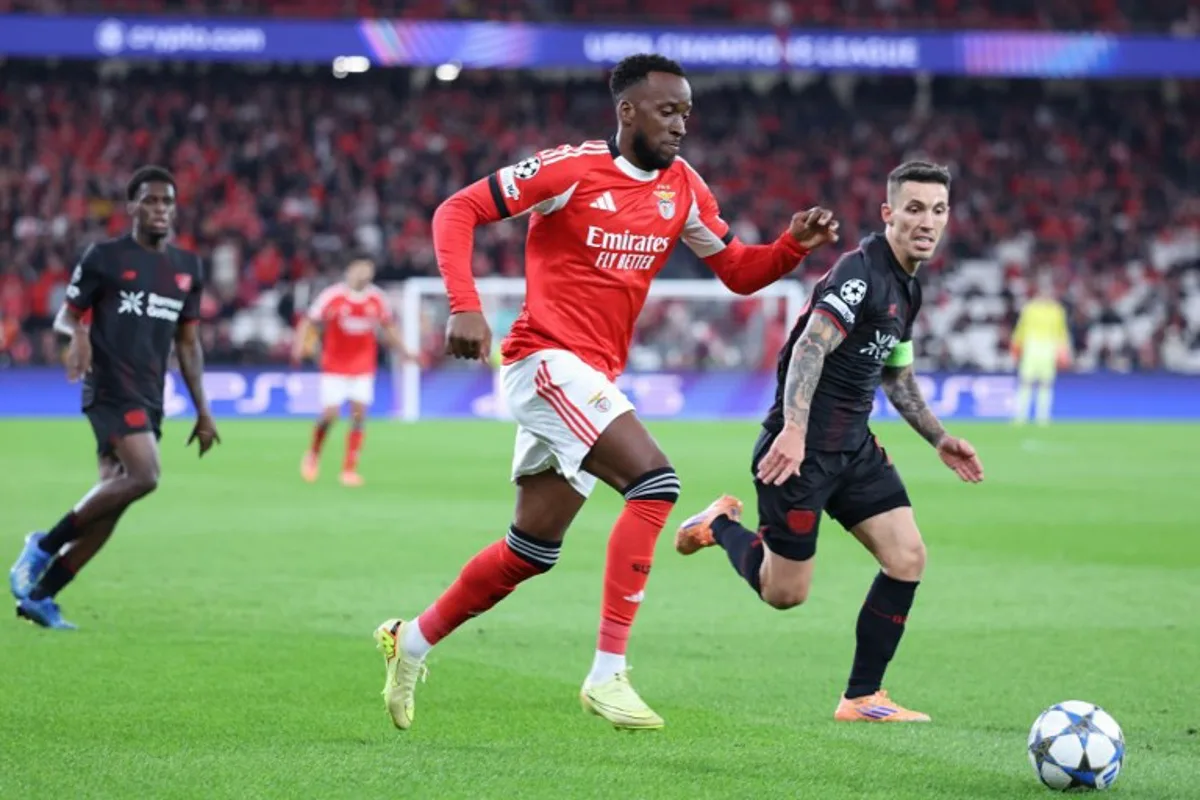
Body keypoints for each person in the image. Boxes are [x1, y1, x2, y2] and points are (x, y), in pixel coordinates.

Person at [372, 53, 840, 732]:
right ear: (628, 111)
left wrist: (790, 247)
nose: (681, 124)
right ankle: (607, 673)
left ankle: (409, 641)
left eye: (686, 111)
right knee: (656, 484)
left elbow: (737, 271)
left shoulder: (683, 188)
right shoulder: (569, 169)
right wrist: (464, 304)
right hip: (543, 361)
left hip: (591, 376)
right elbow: (458, 210)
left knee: (529, 551)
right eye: (666, 110)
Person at [675, 161, 984, 723]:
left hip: (855, 449)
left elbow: (895, 373)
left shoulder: (907, 286)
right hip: (798, 456)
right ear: (889, 214)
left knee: (908, 556)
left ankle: (862, 697)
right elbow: (808, 349)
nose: (927, 222)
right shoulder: (859, 273)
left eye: (937, 210)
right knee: (784, 594)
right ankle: (718, 524)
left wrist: (938, 438)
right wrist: (793, 430)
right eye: (914, 208)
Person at [8, 165, 220, 629]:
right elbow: (65, 317)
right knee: (145, 475)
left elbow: (188, 343)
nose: (160, 209)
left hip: (150, 393)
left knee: (113, 499)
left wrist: (203, 410)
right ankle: (42, 546)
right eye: (150, 200)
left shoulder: (187, 269)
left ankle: (41, 596)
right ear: (132, 207)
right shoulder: (104, 257)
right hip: (107, 385)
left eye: (167, 201)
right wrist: (79, 334)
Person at [291, 256, 414, 486]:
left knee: (359, 414)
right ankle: (313, 454)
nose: (363, 273)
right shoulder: (333, 296)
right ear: (349, 270)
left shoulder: (377, 299)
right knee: (331, 414)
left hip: (363, 365)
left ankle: (349, 469)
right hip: (334, 364)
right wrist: (300, 345)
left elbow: (389, 327)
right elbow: (309, 321)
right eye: (359, 268)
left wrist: (405, 351)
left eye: (368, 269)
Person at [1011, 276, 1072, 425]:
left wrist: (1064, 349)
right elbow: (1021, 328)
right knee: (1026, 381)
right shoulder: (1030, 308)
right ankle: (1021, 416)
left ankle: (1042, 417)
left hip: (1049, 346)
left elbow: (1061, 331)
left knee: (1045, 383)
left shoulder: (1057, 310)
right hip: (1031, 346)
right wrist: (1015, 345)